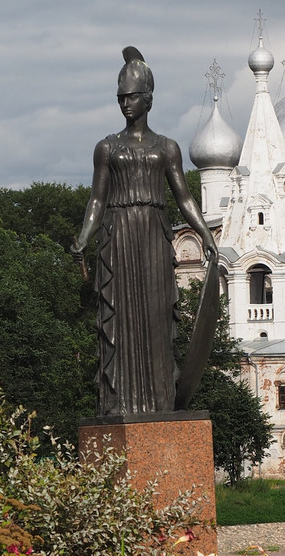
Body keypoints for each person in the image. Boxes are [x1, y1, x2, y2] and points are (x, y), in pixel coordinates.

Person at [72, 47, 218, 416]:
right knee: (119, 315)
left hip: (154, 237)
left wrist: (205, 234)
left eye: (132, 97)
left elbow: (184, 197)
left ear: (148, 99)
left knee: (155, 317)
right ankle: (119, 401)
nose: (125, 104)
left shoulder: (167, 148)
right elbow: (96, 200)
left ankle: (159, 401)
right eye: (121, 98)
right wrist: (84, 236)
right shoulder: (106, 148)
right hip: (117, 236)